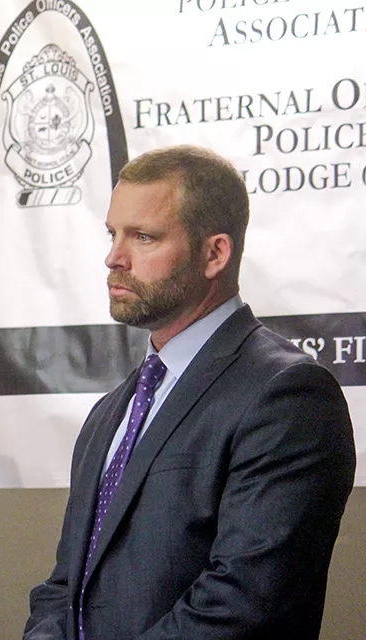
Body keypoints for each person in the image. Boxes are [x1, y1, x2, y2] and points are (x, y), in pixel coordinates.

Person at [24, 145, 356, 639]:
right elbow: (66, 583)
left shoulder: (287, 395)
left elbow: (243, 602)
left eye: (143, 236)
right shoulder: (111, 411)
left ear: (215, 253)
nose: (114, 257)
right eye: (113, 234)